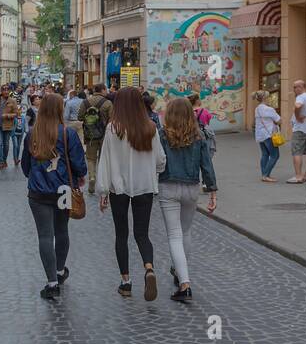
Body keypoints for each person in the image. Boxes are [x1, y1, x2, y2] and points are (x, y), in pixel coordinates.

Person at [97, 87, 163, 301]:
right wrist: (151, 170)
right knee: (142, 233)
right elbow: (161, 161)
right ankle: (149, 267)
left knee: (121, 234)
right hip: (144, 186)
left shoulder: (112, 129)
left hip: (119, 188)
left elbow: (105, 160)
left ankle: (126, 282)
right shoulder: (150, 128)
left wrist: (103, 190)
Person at [21, 92, 87, 301]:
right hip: (63, 190)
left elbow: (25, 166)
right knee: (61, 230)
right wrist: (78, 177)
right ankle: (59, 271)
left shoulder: (32, 134)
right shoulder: (68, 134)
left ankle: (51, 283)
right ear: (60, 109)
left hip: (38, 192)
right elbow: (79, 165)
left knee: (45, 236)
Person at [157, 97, 218, 302]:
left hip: (168, 186)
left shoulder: (163, 135)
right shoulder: (198, 136)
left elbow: (158, 161)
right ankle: (180, 271)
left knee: (174, 235)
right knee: (186, 232)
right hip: (191, 187)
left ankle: (184, 283)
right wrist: (212, 191)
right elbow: (207, 165)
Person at [79, 84, 113, 195]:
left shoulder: (85, 102)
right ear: (102, 90)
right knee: (103, 159)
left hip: (90, 135)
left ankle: (92, 177)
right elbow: (112, 120)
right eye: (106, 90)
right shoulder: (108, 103)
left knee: (90, 158)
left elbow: (80, 117)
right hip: (104, 135)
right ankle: (103, 182)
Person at [287, 79, 306, 184]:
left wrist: (297, 116)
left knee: (297, 152)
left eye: (295, 87)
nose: (294, 89)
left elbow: (297, 106)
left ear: (301, 87)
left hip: (300, 129)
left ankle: (298, 176)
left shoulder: (300, 97)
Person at [252, 91, 283, 183]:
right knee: (275, 155)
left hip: (260, 135)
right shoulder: (269, 109)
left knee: (265, 154)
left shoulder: (257, 109)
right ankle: (266, 175)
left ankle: (264, 174)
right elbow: (279, 120)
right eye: (269, 97)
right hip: (269, 135)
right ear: (265, 98)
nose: (270, 98)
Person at [0, 86, 18, 166]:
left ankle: (4, 160)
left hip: (8, 126)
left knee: (6, 145)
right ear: (1, 91)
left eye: (7, 90)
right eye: (4, 90)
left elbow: (16, 114)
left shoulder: (12, 101)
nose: (6, 91)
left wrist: (7, 115)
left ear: (9, 91)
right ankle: (1, 162)